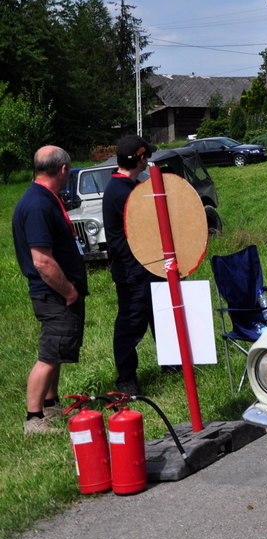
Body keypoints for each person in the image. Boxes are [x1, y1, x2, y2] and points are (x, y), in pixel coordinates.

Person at [12, 146, 88, 434]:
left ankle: (51, 404)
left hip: (57, 291)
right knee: (48, 354)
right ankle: (33, 418)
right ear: (64, 170)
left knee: (57, 351)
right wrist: (68, 291)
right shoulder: (38, 205)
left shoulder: (44, 198)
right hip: (52, 293)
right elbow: (42, 261)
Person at [104, 135, 162, 395]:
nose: (147, 160)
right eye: (146, 156)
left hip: (146, 266)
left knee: (160, 318)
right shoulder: (122, 192)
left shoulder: (130, 187)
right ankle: (126, 379)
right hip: (132, 271)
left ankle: (172, 364)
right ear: (140, 158)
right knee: (130, 325)